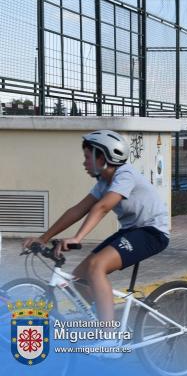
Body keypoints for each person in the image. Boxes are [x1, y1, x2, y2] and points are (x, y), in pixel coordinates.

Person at [23, 130, 170, 323]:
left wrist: (78, 238)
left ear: (102, 157)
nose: (84, 163)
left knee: (96, 266)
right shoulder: (103, 182)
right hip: (130, 231)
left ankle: (108, 335)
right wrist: (44, 238)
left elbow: (103, 207)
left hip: (153, 232)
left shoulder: (125, 174)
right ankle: (102, 319)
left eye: (87, 157)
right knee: (79, 278)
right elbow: (78, 210)